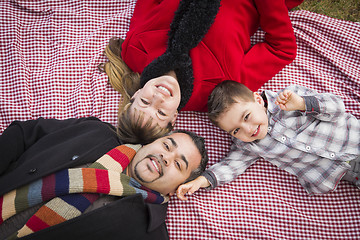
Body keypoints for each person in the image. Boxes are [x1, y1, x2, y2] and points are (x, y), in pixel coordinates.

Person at [103, 0, 303, 142]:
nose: (158, 97)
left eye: (145, 102)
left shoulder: (134, 51)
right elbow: (281, 48)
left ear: (135, 95)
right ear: (174, 118)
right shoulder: (223, 90)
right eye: (161, 112)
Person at [0, 117, 208, 239]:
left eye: (179, 164)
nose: (165, 157)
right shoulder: (96, 132)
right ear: (150, 143)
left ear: (177, 189)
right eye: (166, 145)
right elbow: (25, 133)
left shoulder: (149, 234)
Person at [176, 81, 360, 200]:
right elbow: (231, 166)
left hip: (353, 139)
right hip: (343, 173)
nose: (248, 130)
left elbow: (337, 107)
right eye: (236, 130)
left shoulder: (290, 100)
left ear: (257, 99)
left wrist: (303, 104)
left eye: (246, 116)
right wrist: (200, 181)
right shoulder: (247, 145)